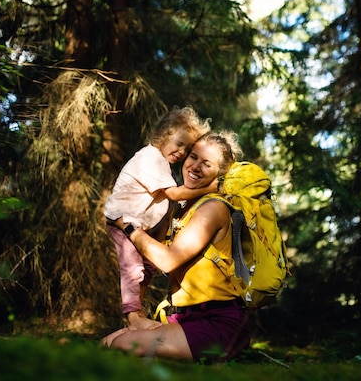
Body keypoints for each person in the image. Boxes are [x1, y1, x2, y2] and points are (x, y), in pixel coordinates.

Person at [102, 131, 251, 363]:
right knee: (107, 343)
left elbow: (168, 260)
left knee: (122, 345)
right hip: (185, 317)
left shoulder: (212, 208)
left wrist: (128, 226)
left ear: (219, 174)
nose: (195, 166)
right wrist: (135, 311)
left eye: (207, 164)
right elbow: (150, 259)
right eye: (193, 157)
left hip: (217, 322)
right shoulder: (182, 208)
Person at [104, 107, 217, 330]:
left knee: (149, 266)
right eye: (179, 144)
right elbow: (174, 194)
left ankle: (137, 309)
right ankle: (132, 314)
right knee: (133, 268)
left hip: (137, 224)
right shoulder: (150, 158)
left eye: (186, 149)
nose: (181, 152)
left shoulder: (162, 163)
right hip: (121, 219)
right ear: (164, 134)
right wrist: (210, 188)